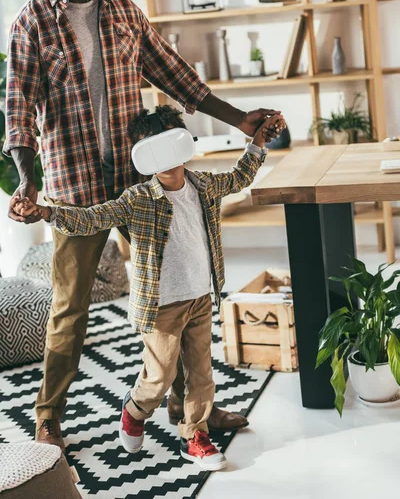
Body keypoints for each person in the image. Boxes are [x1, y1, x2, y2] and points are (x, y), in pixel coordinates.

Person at [3, 0, 282, 451]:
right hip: (76, 187)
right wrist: (25, 181)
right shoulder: (30, 23)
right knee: (69, 309)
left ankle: (188, 408)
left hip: (139, 180)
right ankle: (48, 416)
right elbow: (18, 111)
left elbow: (179, 77)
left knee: (176, 288)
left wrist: (239, 119)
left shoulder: (124, 13)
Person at [12, 105, 285, 470]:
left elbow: (240, 176)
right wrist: (47, 211)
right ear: (143, 158)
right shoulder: (137, 199)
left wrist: (257, 142)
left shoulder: (203, 185)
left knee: (201, 373)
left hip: (201, 296)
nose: (168, 159)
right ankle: (135, 409)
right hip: (162, 306)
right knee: (159, 378)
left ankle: (196, 434)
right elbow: (92, 217)